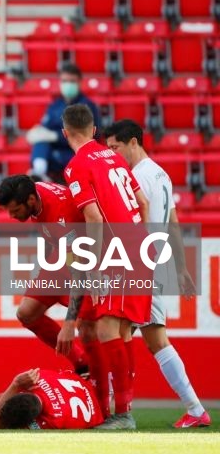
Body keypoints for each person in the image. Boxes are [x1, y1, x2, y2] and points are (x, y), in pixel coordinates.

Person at [104, 119, 211, 428]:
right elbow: (173, 221)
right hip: (153, 262)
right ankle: (117, 408)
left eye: (115, 148)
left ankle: (193, 410)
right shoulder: (161, 174)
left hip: (140, 264)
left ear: (134, 142)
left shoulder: (137, 177)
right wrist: (180, 268)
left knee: (151, 339)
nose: (112, 155)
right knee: (122, 336)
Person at [61, 104, 151, 430]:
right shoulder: (114, 157)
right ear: (95, 130)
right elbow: (142, 202)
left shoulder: (76, 167)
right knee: (123, 331)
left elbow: (95, 218)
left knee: (106, 330)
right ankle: (124, 410)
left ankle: (123, 415)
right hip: (138, 244)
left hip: (115, 251)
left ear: (65, 132)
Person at [0, 175, 96, 374]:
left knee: (86, 328)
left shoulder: (61, 218)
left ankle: (100, 382)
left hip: (87, 263)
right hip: (62, 256)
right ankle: (81, 362)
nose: (11, 216)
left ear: (31, 200)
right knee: (27, 313)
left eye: (15, 210)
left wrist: (68, 323)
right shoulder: (35, 191)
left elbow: (79, 270)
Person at [28, 64, 101, 182]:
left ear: (79, 82)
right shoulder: (55, 105)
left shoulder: (87, 106)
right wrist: (38, 133)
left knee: (46, 143)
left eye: (72, 81)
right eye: (64, 81)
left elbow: (92, 134)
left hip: (75, 151)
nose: (68, 84)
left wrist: (55, 136)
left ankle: (40, 175)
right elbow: (45, 128)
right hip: (55, 150)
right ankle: (38, 174)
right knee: (40, 141)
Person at [0, 368, 104, 429]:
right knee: (8, 398)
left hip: (99, 409)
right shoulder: (38, 377)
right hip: (86, 384)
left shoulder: (52, 421)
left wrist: (15, 384)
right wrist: (16, 384)